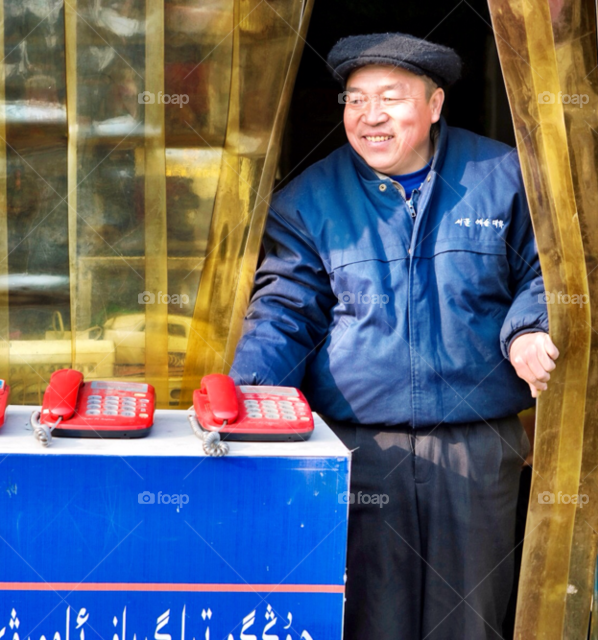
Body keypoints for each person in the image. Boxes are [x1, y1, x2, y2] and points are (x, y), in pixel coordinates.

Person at [229, 32, 559, 640]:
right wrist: (245, 400)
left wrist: (528, 329)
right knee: (368, 619)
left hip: (477, 444)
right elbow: (285, 311)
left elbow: (549, 270)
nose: (370, 116)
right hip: (359, 449)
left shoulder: (504, 176)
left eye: (391, 97)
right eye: (355, 100)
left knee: (471, 622)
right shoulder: (309, 199)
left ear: (434, 104)